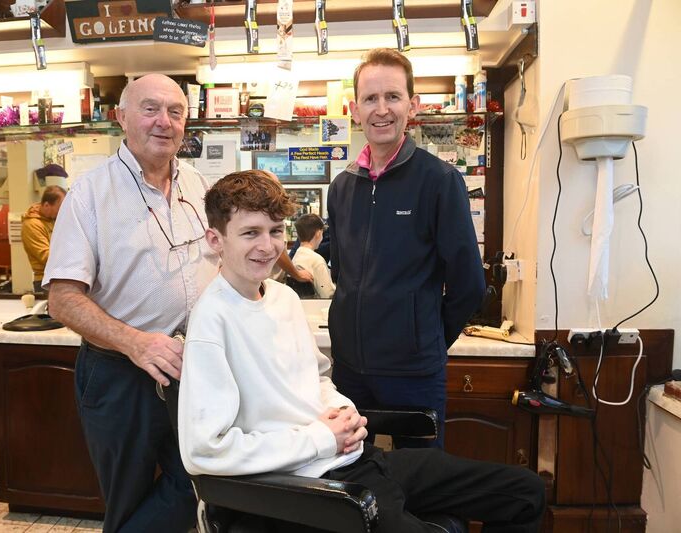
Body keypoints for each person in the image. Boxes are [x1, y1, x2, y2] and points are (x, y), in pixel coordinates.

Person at [178, 170, 544, 533]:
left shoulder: (283, 298)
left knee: (525, 493)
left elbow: (317, 377)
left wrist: (343, 412)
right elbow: (205, 450)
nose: (267, 246)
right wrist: (320, 438)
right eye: (250, 233)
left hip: (355, 459)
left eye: (275, 231)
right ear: (215, 239)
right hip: (308, 486)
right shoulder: (213, 321)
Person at [43, 73, 219, 533]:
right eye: (150, 109)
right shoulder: (90, 193)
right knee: (128, 496)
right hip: (119, 373)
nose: (164, 121)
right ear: (121, 117)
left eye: (175, 112)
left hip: (191, 369)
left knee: (202, 480)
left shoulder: (199, 186)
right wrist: (136, 343)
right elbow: (62, 299)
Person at [327, 48, 486, 448]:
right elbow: (340, 271)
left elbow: (469, 284)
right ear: (355, 109)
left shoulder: (440, 181)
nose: (382, 109)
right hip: (349, 371)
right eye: (370, 98)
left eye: (393, 97)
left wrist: (424, 339)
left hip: (413, 375)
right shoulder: (342, 187)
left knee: (420, 484)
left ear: (412, 106)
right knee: (349, 481)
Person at [21, 183, 66, 293]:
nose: (62, 211)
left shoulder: (52, 220)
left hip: (59, 277)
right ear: (46, 205)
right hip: (46, 282)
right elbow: (46, 256)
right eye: (60, 208)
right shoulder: (32, 225)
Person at [292, 213, 335, 298]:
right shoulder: (317, 261)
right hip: (317, 307)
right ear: (319, 233)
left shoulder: (296, 256)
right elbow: (327, 294)